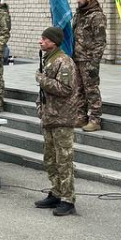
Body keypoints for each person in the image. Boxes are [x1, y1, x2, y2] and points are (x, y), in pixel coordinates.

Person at [34, 27, 79, 217]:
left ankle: (68, 200)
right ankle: (56, 192)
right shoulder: (49, 59)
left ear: (53, 42)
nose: (40, 42)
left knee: (64, 160)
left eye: (44, 39)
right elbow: (44, 92)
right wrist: (39, 107)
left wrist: (41, 79)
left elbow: (65, 88)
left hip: (62, 118)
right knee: (50, 159)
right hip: (49, 116)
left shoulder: (64, 61)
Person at [72, 0, 107, 133]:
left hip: (88, 60)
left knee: (91, 90)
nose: (78, 1)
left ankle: (95, 120)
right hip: (77, 58)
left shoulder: (96, 16)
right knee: (78, 89)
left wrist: (94, 63)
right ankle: (80, 117)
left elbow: (100, 42)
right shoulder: (79, 14)